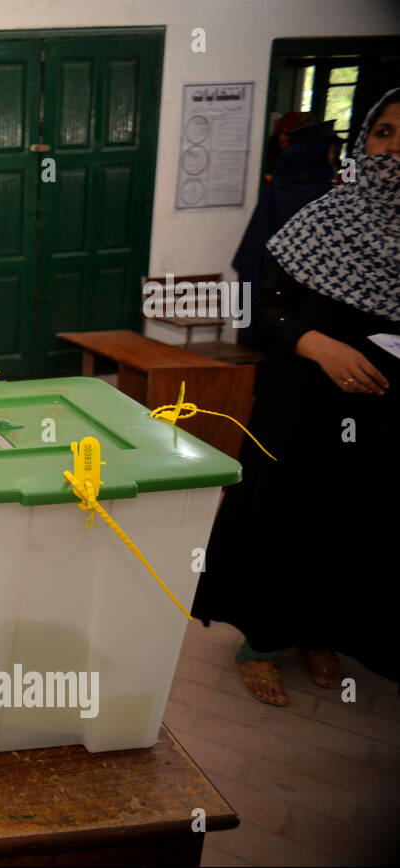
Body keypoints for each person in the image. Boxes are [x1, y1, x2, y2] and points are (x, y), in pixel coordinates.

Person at [191, 88, 399, 706]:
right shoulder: (324, 219)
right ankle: (262, 638)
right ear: (363, 143)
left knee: (360, 524)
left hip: (386, 416)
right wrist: (320, 347)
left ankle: (323, 633)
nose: (395, 149)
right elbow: (261, 308)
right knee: (287, 515)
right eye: (384, 133)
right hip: (307, 405)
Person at [232, 120, 341, 348]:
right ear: (314, 154)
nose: (335, 161)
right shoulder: (321, 197)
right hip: (291, 290)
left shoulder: (279, 185)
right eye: (331, 153)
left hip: (263, 277)